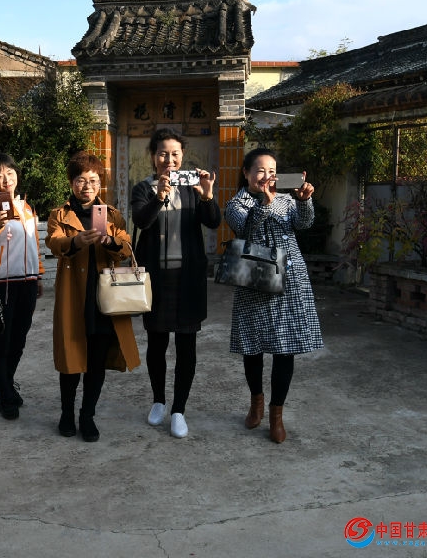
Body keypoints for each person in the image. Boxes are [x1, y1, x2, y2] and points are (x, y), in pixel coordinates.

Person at [225, 147, 323, 443]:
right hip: (253, 278)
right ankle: (256, 402)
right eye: (260, 171)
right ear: (246, 173)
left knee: (285, 348)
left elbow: (304, 223)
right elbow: (244, 229)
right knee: (252, 347)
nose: (266, 177)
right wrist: (265, 206)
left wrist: (304, 201)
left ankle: (276, 415)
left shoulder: (287, 200)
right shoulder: (236, 203)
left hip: (289, 279)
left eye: (272, 171)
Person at [131, 128, 221, 438]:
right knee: (156, 345)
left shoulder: (193, 187)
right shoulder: (143, 188)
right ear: (153, 156)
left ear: (182, 156)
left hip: (188, 279)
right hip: (156, 279)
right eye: (162, 154)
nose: (169, 160)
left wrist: (207, 196)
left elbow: (213, 222)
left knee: (186, 346)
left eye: (175, 154)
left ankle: (179, 409)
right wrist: (159, 197)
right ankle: (158, 401)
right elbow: (141, 220)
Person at [45, 151, 140, 442]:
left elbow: (126, 246)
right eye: (81, 180)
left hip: (104, 298)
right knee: (71, 358)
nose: (87, 186)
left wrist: (110, 240)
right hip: (73, 297)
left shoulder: (111, 214)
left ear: (100, 183)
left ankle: (87, 416)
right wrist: (75, 240)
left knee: (96, 361)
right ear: (71, 182)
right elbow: (54, 242)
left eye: (93, 180)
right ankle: (66, 413)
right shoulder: (59, 215)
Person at [0, 153, 44, 420]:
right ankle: (3, 393)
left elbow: (34, 244)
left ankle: (7, 382)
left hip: (27, 281)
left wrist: (39, 275)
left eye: (10, 172)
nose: (6, 179)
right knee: (1, 340)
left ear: (17, 174)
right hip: (1, 282)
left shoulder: (27, 206)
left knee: (19, 338)